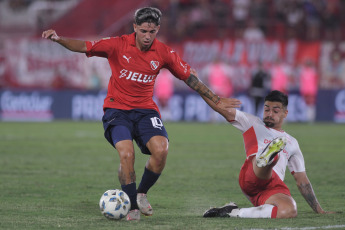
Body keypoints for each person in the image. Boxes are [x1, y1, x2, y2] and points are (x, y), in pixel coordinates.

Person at [42, 7, 241, 221]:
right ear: (135, 27)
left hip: (145, 110)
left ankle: (141, 193)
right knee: (127, 154)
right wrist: (59, 39)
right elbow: (84, 46)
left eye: (152, 32)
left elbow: (190, 79)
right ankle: (131, 207)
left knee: (162, 150)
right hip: (117, 109)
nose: (147, 36)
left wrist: (216, 101)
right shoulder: (117, 44)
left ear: (157, 30)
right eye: (144, 31)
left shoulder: (163, 52)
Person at [202, 90, 332, 219]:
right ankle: (269, 157)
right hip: (252, 176)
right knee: (273, 158)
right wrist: (195, 83)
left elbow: (302, 181)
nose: (269, 114)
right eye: (266, 109)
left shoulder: (292, 142)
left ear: (285, 113)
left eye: (275, 111)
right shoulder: (252, 123)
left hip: (272, 188)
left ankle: (233, 212)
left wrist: (319, 210)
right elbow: (219, 108)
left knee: (290, 210)